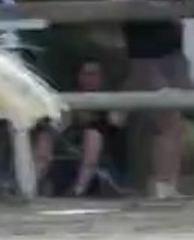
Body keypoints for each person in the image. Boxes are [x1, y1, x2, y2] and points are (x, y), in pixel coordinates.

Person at [99, 0, 192, 200]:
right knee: (164, 115)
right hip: (142, 52)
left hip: (169, 47)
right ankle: (156, 182)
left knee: (175, 121)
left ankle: (168, 183)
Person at [33, 60, 126, 197]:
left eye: (95, 74)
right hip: (67, 157)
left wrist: (93, 119)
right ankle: (31, 182)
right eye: (87, 74)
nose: (91, 79)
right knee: (46, 136)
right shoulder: (70, 99)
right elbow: (55, 125)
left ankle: (78, 190)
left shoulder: (112, 100)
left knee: (93, 135)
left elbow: (116, 124)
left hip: (103, 163)